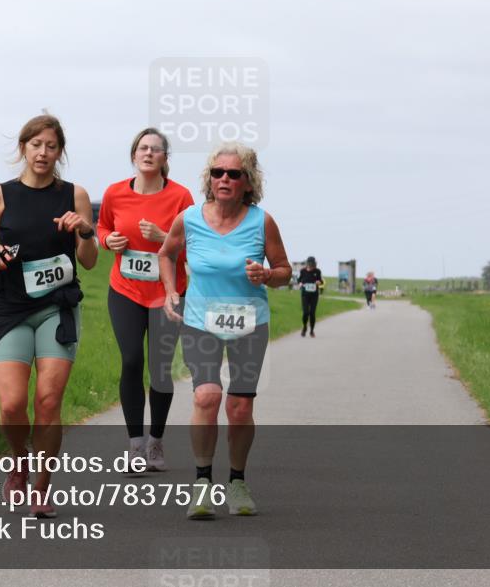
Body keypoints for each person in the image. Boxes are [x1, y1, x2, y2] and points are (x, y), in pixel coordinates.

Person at [159, 142, 291, 519]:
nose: (224, 179)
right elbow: (166, 254)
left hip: (250, 323)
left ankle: (236, 480)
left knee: (240, 406)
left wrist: (267, 274)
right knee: (206, 397)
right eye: (218, 172)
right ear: (209, 178)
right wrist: (171, 291)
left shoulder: (261, 221)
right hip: (201, 321)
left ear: (248, 182)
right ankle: (202, 483)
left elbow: (284, 270)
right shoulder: (189, 218)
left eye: (234, 174)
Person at [0, 114, 98, 518]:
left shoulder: (74, 195)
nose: (42, 152)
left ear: (60, 151)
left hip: (56, 308)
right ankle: (18, 461)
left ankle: (42, 488)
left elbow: (90, 261)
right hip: (11, 309)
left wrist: (84, 230)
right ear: (23, 148)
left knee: (48, 401)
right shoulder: (0, 193)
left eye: (51, 146)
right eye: (35, 145)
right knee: (11, 405)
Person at [97, 128, 194, 471]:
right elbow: (102, 228)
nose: (148, 153)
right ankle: (135, 445)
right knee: (132, 359)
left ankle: (156, 442)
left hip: (167, 293)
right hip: (125, 289)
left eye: (156, 149)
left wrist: (165, 237)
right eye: (142, 148)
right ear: (134, 155)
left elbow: (193, 247)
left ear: (166, 158)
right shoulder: (114, 193)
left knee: (160, 368)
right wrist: (109, 241)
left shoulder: (181, 197)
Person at [297, 256, 324, 337]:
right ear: (307, 263)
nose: (310, 266)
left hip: (314, 295)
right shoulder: (303, 271)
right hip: (305, 294)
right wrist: (300, 283)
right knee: (305, 313)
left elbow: (321, 281)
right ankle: (304, 327)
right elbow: (299, 280)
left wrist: (319, 282)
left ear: (314, 264)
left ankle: (312, 330)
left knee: (312, 313)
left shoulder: (317, 271)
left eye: (312, 264)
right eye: (309, 264)